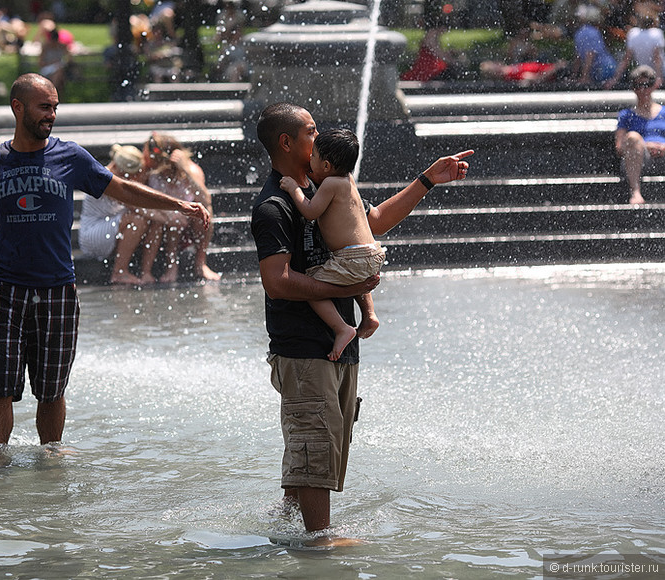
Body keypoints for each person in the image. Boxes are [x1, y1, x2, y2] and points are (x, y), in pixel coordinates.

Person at [0, 74, 210, 448]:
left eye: (55, 108)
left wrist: (177, 204)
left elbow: (119, 187)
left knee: (52, 391)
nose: (52, 115)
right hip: (4, 291)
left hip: (57, 289)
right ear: (18, 107)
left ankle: (50, 461)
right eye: (45, 107)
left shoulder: (70, 156)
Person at [251, 102, 472, 536]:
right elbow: (276, 282)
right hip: (302, 347)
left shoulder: (328, 184)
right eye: (312, 130)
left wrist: (427, 180)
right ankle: (320, 544)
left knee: (321, 444)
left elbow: (373, 223)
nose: (320, 135)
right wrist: (346, 290)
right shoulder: (275, 204)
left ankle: (288, 532)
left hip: (339, 348)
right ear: (287, 142)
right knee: (315, 444)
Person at [278, 129, 384, 362]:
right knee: (354, 276)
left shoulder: (330, 185)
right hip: (372, 254)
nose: (309, 160)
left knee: (311, 285)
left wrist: (294, 188)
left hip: (351, 258)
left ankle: (341, 328)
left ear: (326, 166)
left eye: (313, 156)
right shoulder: (347, 180)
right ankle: (370, 314)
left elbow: (310, 211)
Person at [78, 143, 165, 285]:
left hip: (111, 225)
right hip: (93, 234)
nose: (134, 177)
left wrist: (165, 217)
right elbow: (138, 207)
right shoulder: (102, 179)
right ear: (119, 168)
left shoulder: (118, 176)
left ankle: (146, 273)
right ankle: (119, 272)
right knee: (138, 219)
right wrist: (170, 218)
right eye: (132, 174)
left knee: (154, 222)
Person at [139, 132, 221, 283]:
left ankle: (201, 264)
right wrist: (165, 214)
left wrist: (186, 170)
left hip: (188, 224)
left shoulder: (190, 170)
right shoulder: (149, 171)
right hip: (162, 223)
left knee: (204, 212)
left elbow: (205, 199)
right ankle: (171, 267)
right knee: (173, 218)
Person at [615, 65, 664, 204]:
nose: (643, 90)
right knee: (633, 137)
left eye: (647, 85)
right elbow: (620, 147)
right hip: (639, 159)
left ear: (655, 85)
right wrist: (643, 145)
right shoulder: (626, 115)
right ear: (632, 88)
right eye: (638, 85)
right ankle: (635, 192)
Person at [605, 3, 665, 89]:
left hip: (643, 73)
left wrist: (615, 79)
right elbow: (657, 58)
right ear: (654, 22)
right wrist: (659, 78)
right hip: (660, 73)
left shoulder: (633, 34)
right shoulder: (656, 33)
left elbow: (626, 59)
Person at [572, 4, 617, 87]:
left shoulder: (580, 32)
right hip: (608, 67)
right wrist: (582, 76)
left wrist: (579, 77)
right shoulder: (592, 31)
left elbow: (588, 55)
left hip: (604, 69)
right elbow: (584, 56)